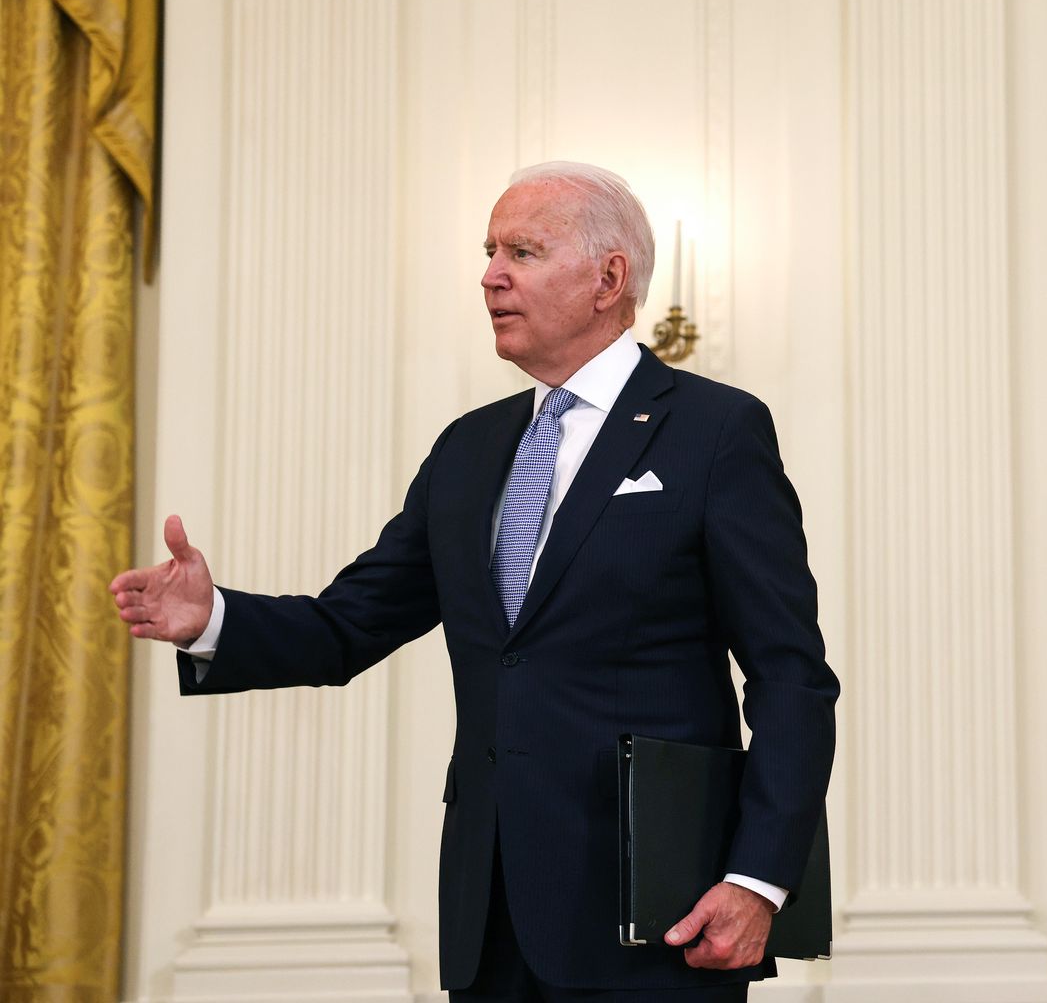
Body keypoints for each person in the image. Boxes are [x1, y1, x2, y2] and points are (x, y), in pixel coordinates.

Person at [110, 161, 839, 1001]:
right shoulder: (469, 448)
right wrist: (214, 620)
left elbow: (791, 676)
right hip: (489, 912)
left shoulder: (715, 431)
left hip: (659, 913)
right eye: (489, 250)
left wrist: (758, 881)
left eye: (522, 251)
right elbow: (351, 624)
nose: (490, 275)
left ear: (609, 278)